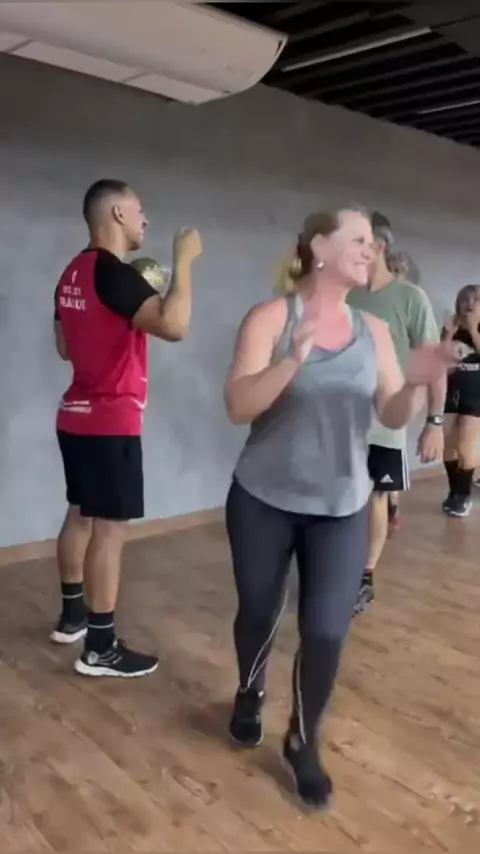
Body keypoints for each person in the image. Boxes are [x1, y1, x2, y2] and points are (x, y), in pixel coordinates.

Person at [223, 206, 452, 809]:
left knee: (326, 630)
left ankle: (302, 738)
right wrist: (291, 359)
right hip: (264, 498)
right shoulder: (271, 318)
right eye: (357, 238)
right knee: (258, 611)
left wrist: (418, 381)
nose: (370, 247)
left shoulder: (372, 330)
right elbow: (239, 406)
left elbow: (390, 412)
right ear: (318, 247)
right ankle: (249, 690)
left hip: (342, 502)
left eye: (373, 241)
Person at [52, 178, 202, 677]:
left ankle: (72, 616)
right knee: (110, 531)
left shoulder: (72, 273)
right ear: (116, 213)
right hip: (109, 421)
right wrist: (184, 261)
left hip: (74, 416)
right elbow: (174, 325)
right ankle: (100, 647)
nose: (145, 219)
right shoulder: (113, 273)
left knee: (81, 512)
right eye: (139, 210)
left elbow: (65, 347)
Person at [347, 212, 445, 614]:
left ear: (380, 247)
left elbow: (434, 364)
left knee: (376, 497)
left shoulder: (410, 299)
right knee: (345, 497)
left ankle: (364, 576)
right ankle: (338, 566)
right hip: (344, 421)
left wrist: (434, 422)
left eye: (358, 242)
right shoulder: (347, 295)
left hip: (387, 421)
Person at [442, 284, 480, 517]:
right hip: (451, 392)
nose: (470, 304)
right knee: (447, 445)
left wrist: (474, 329)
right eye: (465, 299)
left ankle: (463, 496)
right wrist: (448, 335)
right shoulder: (451, 328)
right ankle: (454, 490)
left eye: (476, 300)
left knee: (465, 445)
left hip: (477, 394)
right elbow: (440, 362)